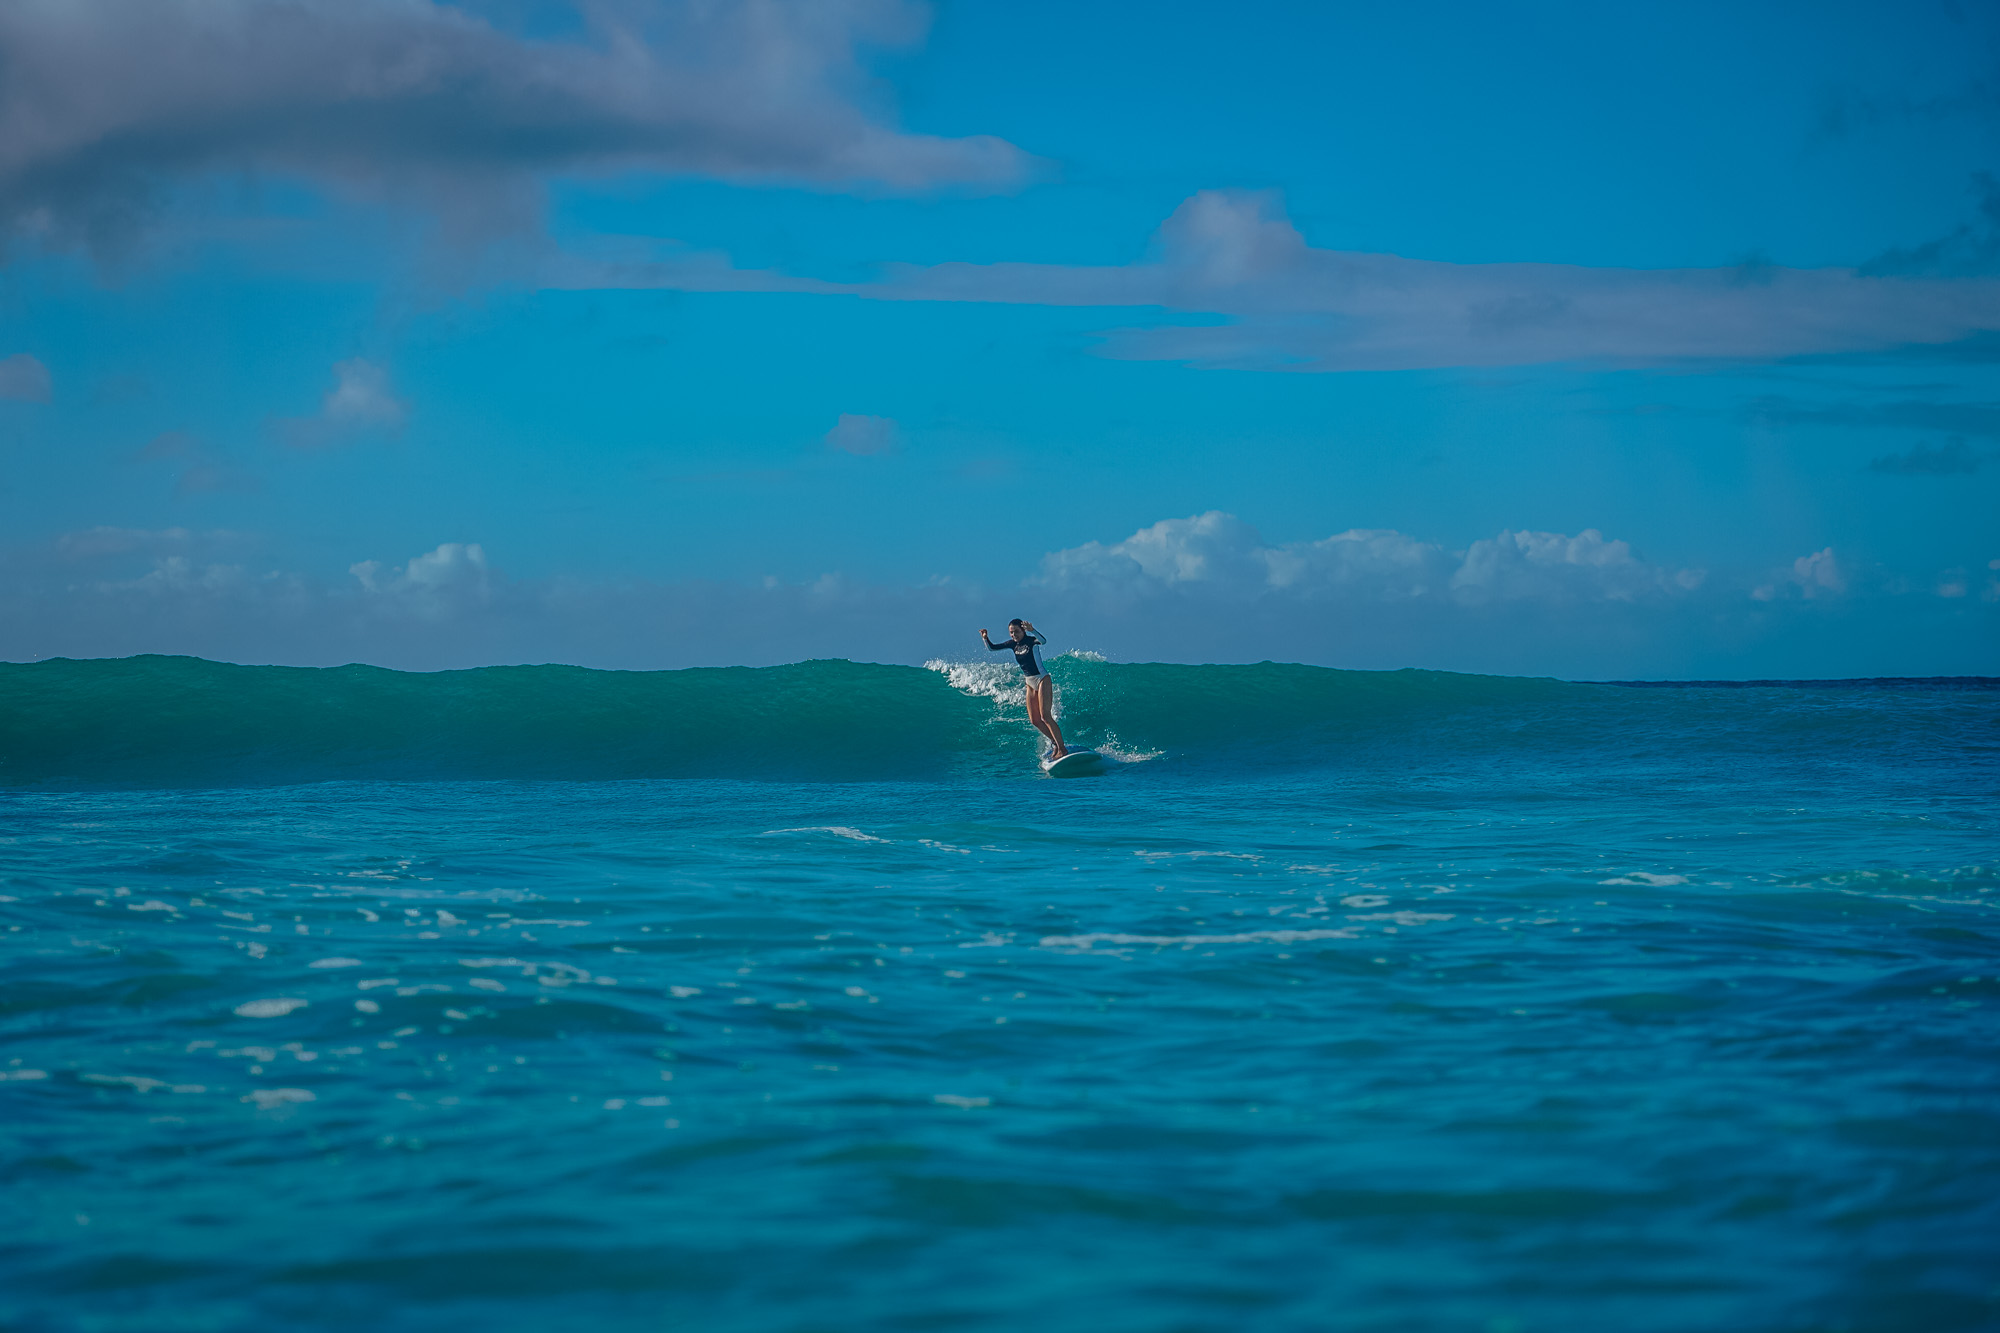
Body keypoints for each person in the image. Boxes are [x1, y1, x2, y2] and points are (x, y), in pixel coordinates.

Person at [980, 619, 1068, 760]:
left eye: (1016, 631)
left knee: (1045, 716)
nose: (1014, 635)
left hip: (1042, 679)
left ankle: (1062, 748)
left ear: (1023, 630)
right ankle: (1055, 743)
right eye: (1011, 632)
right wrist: (985, 638)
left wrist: (1032, 630)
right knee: (1035, 720)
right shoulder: (1012, 644)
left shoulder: (1031, 641)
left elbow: (1044, 641)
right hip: (1029, 682)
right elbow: (992, 648)